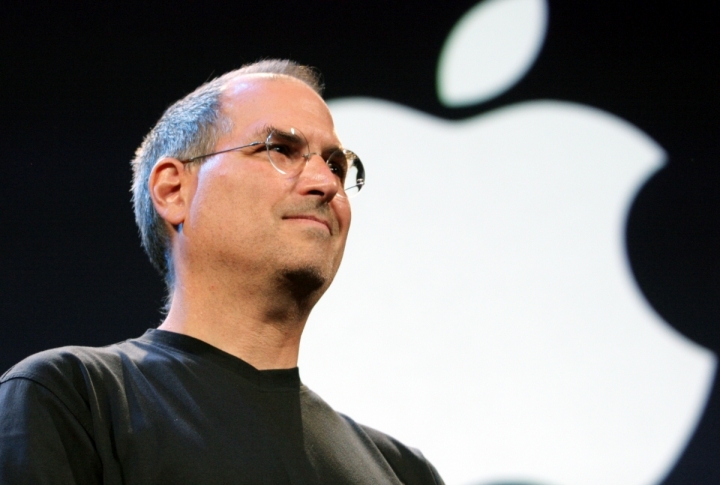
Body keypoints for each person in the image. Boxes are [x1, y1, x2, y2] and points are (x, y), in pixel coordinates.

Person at [0, 59, 444, 484]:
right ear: (173, 190)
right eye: (281, 150)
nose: (326, 184)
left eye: (335, 165)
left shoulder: (404, 472)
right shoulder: (73, 401)